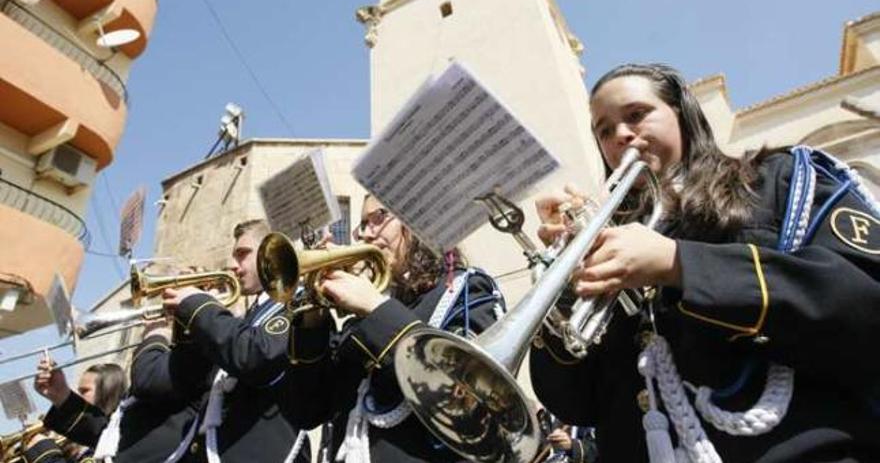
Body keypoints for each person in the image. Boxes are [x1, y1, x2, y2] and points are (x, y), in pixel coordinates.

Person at [529, 63, 880, 462]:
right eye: (604, 131)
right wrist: (563, 281)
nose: (620, 135)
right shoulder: (606, 239)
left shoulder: (775, 180)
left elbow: (863, 301)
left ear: (681, 113)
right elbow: (575, 403)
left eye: (636, 115)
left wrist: (679, 264)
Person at [294, 194, 507, 463]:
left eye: (379, 218)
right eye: (362, 224)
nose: (365, 235)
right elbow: (307, 409)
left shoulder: (465, 290)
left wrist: (375, 308)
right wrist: (311, 320)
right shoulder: (362, 316)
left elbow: (468, 401)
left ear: (419, 223)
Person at [146, 219, 324, 463]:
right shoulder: (250, 315)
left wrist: (199, 306)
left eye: (242, 254)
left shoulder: (297, 303)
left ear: (271, 254)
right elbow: (195, 380)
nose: (233, 266)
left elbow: (257, 355)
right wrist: (191, 320)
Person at [28, 360, 126, 463]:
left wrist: (45, 455)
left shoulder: (123, 436)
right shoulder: (102, 436)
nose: (79, 396)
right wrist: (59, 395)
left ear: (107, 393)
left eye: (85, 391)